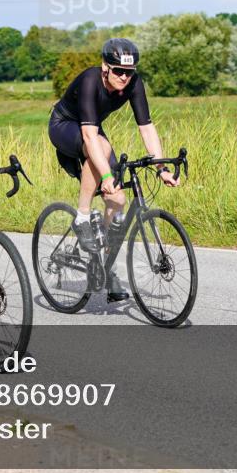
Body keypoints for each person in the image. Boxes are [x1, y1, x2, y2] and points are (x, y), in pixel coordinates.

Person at [48, 37, 179, 302]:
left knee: (117, 200)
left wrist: (161, 167)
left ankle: (103, 268)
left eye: (129, 72)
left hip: (94, 130)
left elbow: (147, 127)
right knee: (102, 150)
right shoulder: (89, 81)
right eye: (118, 70)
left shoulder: (134, 83)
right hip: (65, 125)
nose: (124, 77)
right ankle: (82, 216)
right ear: (105, 67)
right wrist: (106, 175)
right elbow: (88, 136)